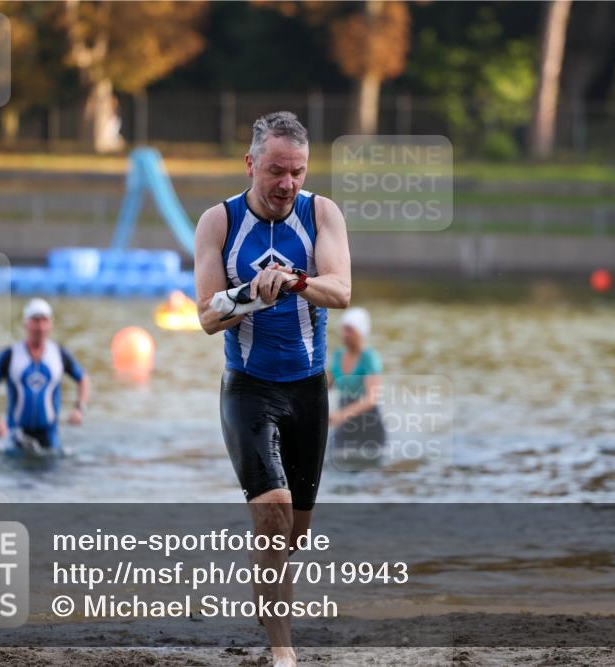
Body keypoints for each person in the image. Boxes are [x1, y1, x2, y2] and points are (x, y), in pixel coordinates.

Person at [194, 111, 351, 667]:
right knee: (273, 514)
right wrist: (251, 294)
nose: (288, 184)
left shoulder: (321, 213)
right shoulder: (218, 222)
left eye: (298, 172)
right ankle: (282, 652)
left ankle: (268, 595)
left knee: (296, 534)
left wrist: (296, 281)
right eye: (276, 171)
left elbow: (341, 291)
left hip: (308, 390)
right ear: (251, 164)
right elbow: (207, 317)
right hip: (248, 389)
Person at [0, 298, 89, 455]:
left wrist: (79, 408)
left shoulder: (58, 354)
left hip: (49, 437)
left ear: (51, 324)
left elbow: (83, 379)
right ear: (26, 324)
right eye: (36, 321)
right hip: (17, 435)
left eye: (45, 321)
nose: (40, 327)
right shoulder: (10, 355)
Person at [327, 307, 385, 467]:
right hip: (345, 422)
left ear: (360, 332)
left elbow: (371, 399)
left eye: (350, 330)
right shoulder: (338, 355)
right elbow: (325, 386)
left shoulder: (369, 358)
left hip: (368, 423)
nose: (345, 334)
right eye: (344, 329)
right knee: (334, 465)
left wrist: (340, 415)